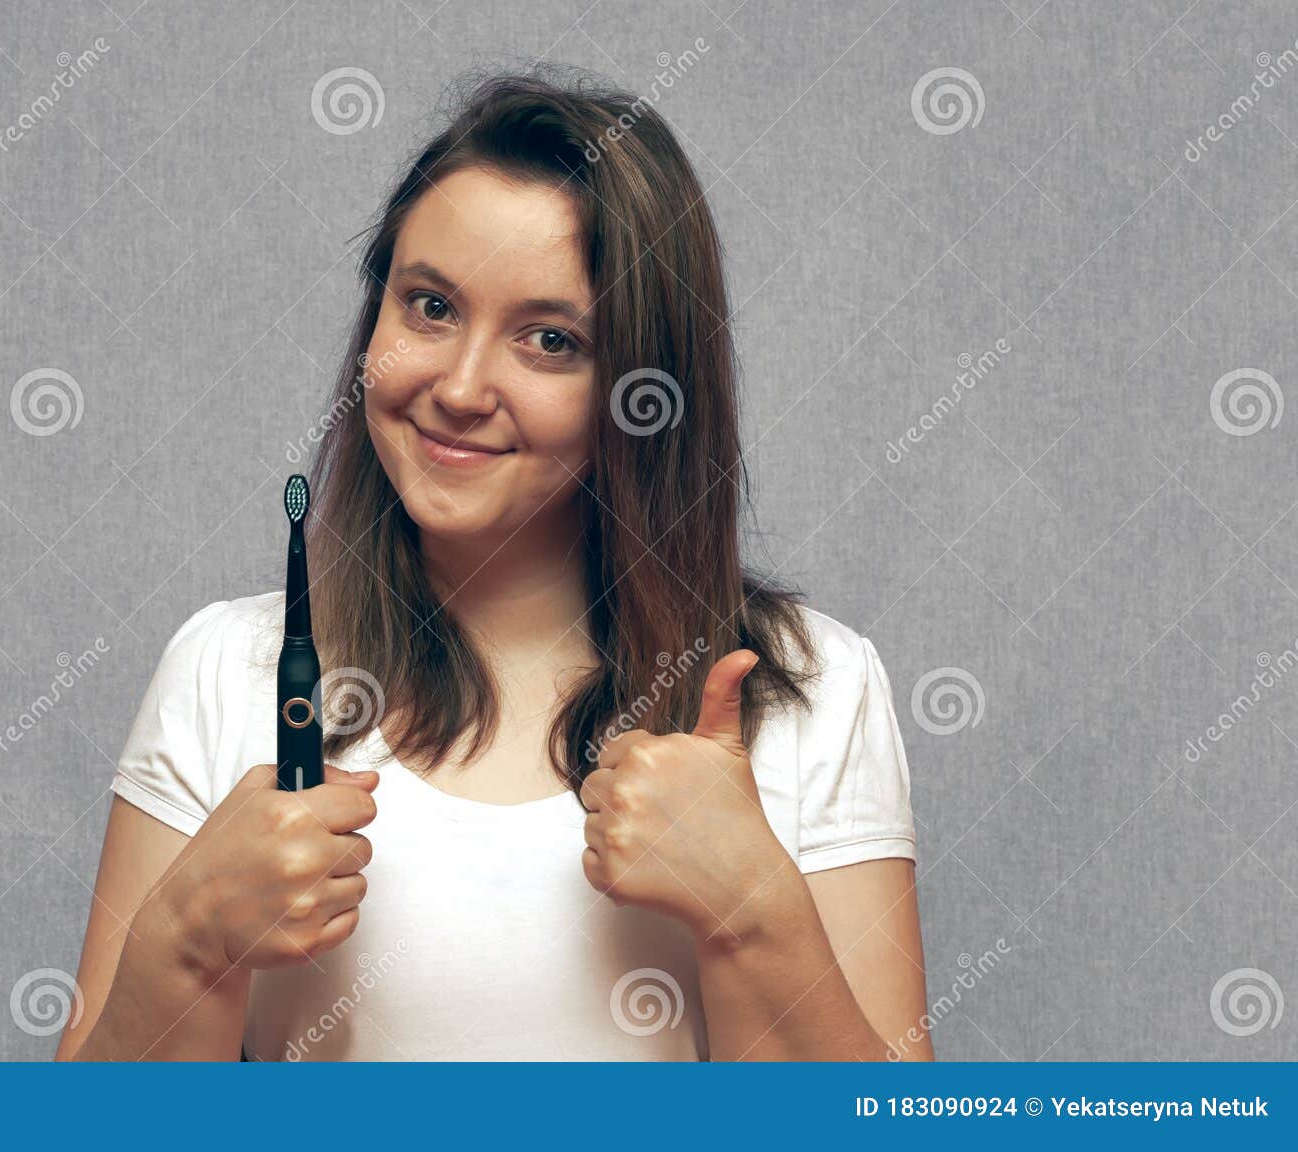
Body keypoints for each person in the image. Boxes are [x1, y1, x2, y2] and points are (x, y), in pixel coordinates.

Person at [57, 68, 932, 1061]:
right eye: (429, 307)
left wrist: (752, 911)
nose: (461, 386)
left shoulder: (813, 692)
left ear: (643, 386)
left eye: (549, 339)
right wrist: (185, 943)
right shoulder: (224, 672)